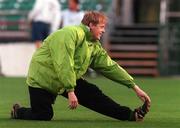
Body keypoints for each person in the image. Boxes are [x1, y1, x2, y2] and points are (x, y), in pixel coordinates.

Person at [11, 11, 151, 121]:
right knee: (43, 115)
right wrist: (71, 90)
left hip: (66, 79)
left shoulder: (94, 46)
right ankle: (18, 111)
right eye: (101, 27)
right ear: (91, 25)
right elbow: (63, 63)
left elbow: (110, 67)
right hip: (42, 80)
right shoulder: (69, 34)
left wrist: (134, 87)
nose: (103, 31)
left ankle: (131, 115)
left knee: (94, 95)